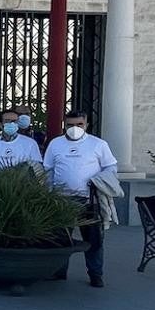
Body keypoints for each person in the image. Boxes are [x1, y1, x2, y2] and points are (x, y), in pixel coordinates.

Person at [44, 111, 117, 288]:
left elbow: (111, 166)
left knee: (94, 240)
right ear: (64, 125)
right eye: (70, 125)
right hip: (62, 200)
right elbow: (48, 169)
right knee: (60, 238)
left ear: (86, 125)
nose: (74, 129)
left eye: (79, 125)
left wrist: (98, 181)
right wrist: (48, 193)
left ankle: (95, 274)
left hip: (89, 200)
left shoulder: (98, 144)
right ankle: (59, 271)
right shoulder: (56, 144)